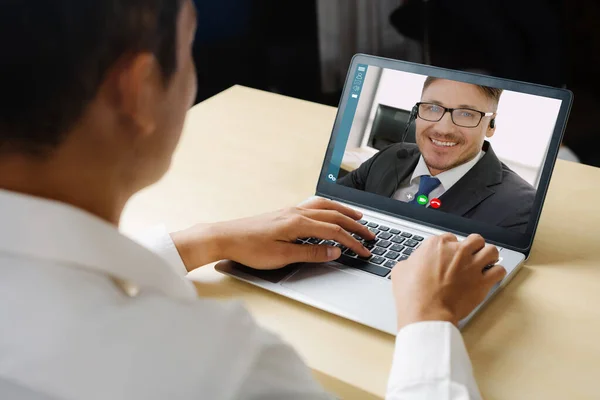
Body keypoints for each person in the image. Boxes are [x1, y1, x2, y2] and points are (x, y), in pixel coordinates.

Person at [0, 1, 506, 399]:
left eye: (463, 114)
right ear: (138, 90)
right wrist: (430, 318)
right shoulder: (222, 368)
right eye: (189, 46)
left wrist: (206, 240)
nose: (441, 125)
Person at [338, 77, 536, 234]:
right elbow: (331, 204)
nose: (443, 129)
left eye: (466, 114)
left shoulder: (520, 206)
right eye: (432, 108)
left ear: (491, 125)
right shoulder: (390, 155)